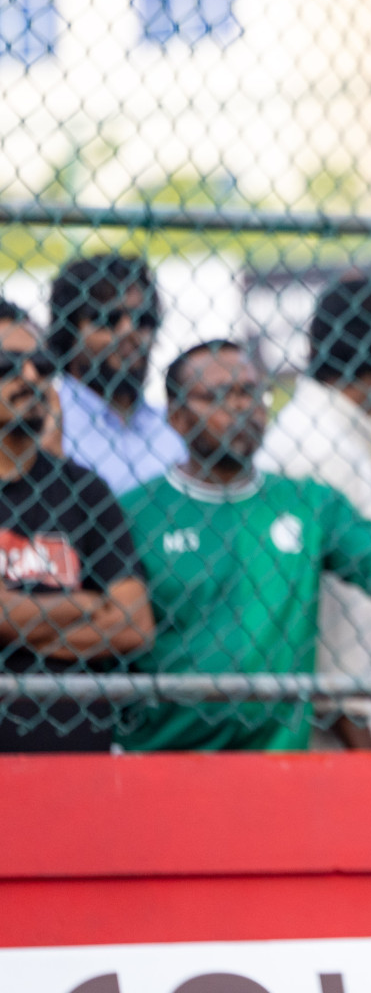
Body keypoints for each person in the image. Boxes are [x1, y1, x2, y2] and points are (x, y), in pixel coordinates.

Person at [117, 341, 371, 752]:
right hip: (163, 761)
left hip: (279, 763)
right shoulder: (136, 514)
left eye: (251, 391)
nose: (242, 406)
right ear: (177, 416)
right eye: (218, 395)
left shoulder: (309, 503)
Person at [257, 276, 371, 752]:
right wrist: (362, 740)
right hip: (347, 734)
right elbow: (331, 618)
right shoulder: (319, 446)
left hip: (363, 718)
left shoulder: (334, 432)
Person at [0, 303, 153, 752]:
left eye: (42, 364)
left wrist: (16, 640)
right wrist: (86, 603)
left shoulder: (84, 490)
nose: (30, 377)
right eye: (7, 364)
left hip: (77, 752)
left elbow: (133, 624)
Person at [48, 254, 184, 493]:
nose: (128, 331)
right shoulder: (47, 427)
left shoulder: (176, 426)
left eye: (143, 319)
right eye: (107, 319)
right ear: (67, 332)